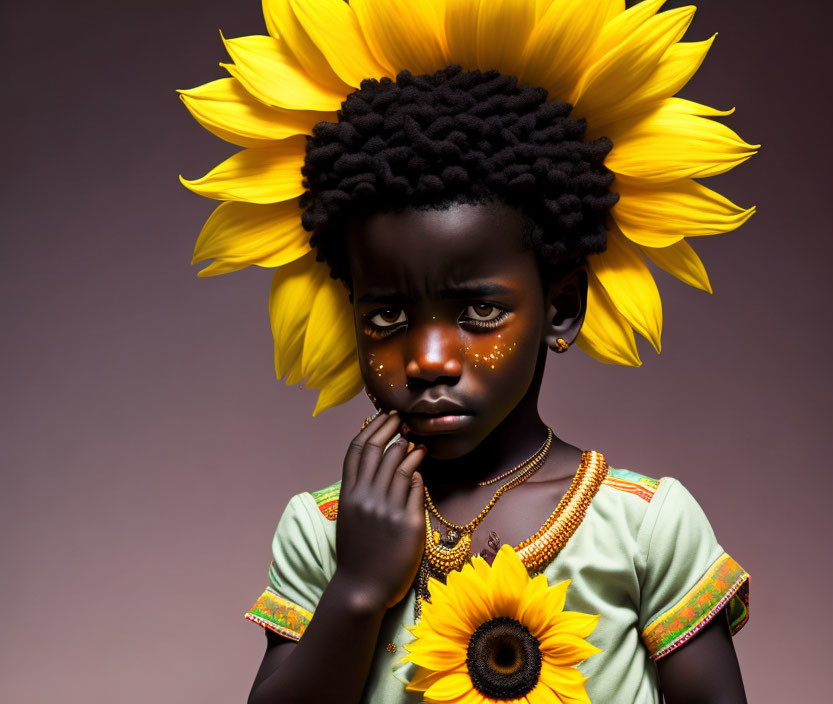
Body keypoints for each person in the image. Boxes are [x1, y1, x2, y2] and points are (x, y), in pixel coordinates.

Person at [179, 1, 757, 702]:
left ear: (562, 310)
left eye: (479, 311)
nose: (426, 358)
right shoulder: (326, 530)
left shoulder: (644, 525)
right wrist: (358, 591)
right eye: (387, 314)